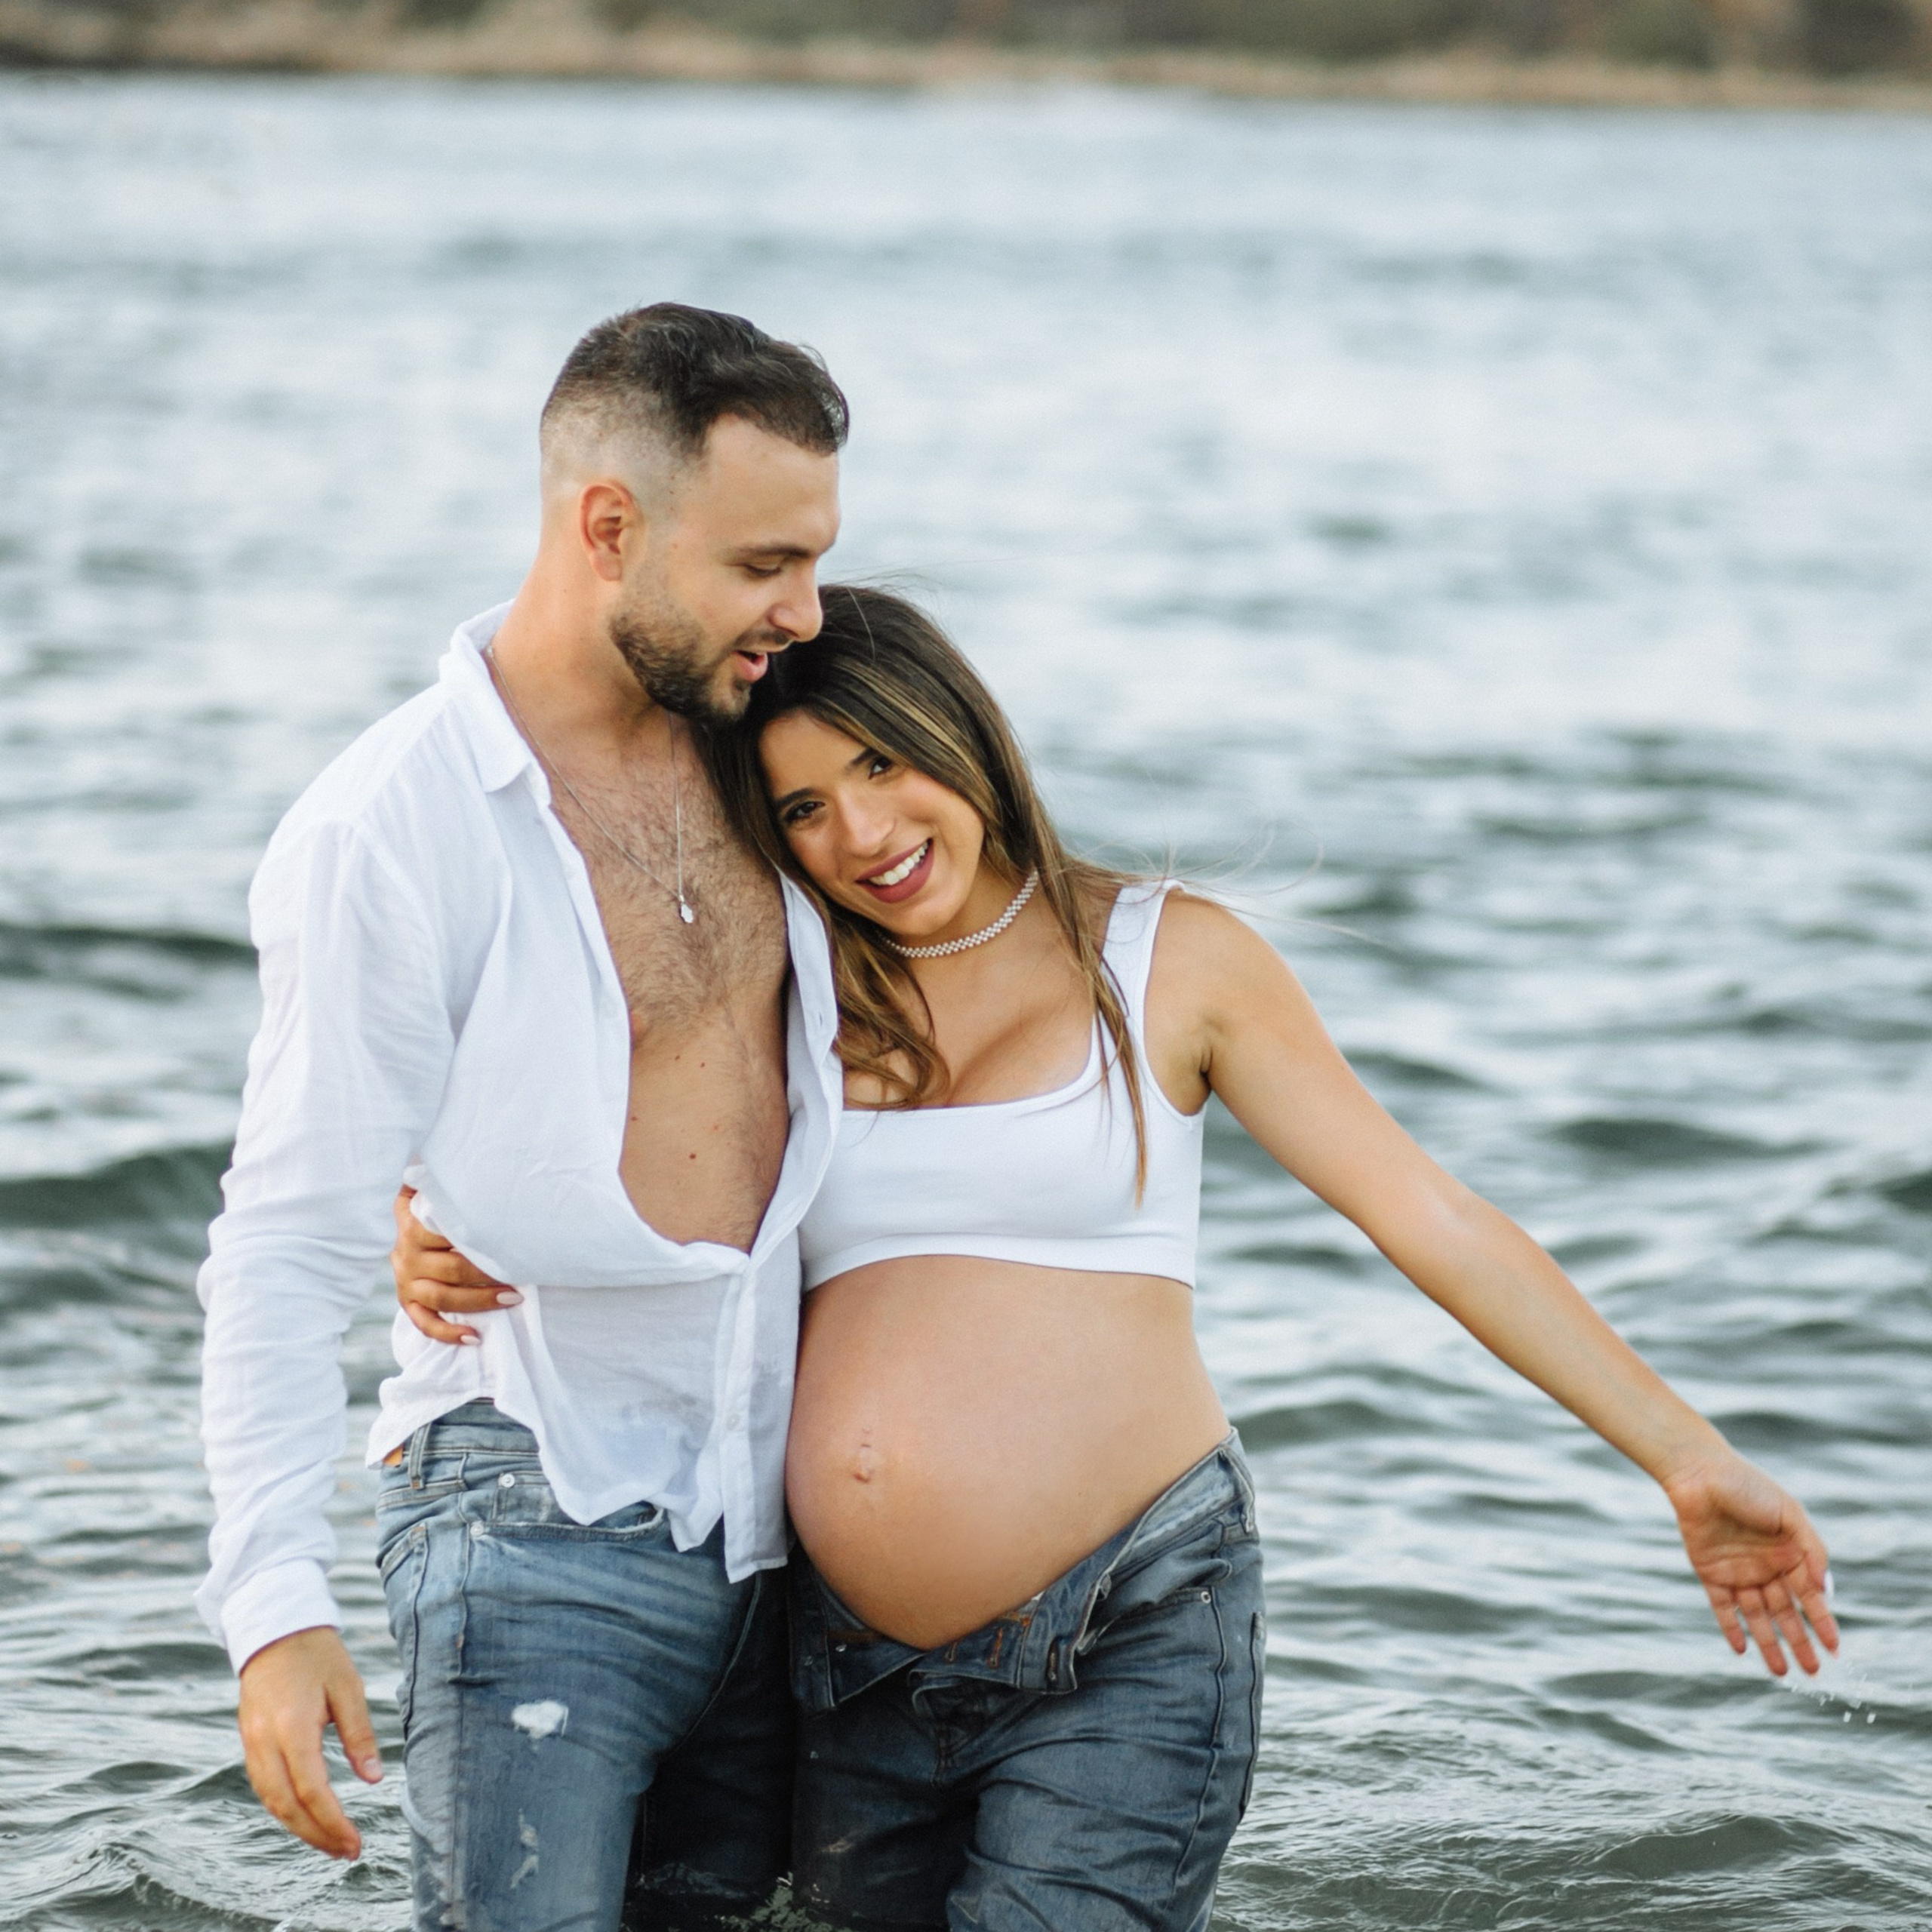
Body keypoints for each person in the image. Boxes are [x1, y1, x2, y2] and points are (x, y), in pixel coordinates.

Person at [393, 586, 1838, 1932]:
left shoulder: (1168, 958)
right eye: (806, 810)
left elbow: (1431, 1218)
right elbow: (578, 1128)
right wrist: (438, 1220)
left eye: (887, 765)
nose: (864, 833)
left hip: (1130, 1629)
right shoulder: (794, 977)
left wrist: (1684, 1457)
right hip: (849, 1666)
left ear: (958, 728)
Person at [195, 302, 849, 1932]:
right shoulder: (389, 827)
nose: (807, 606)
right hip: (532, 1520)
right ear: (608, 527)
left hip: (788, 1528)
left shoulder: (782, 741)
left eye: (815, 558)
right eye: (764, 562)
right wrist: (273, 1602)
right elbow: (283, 1238)